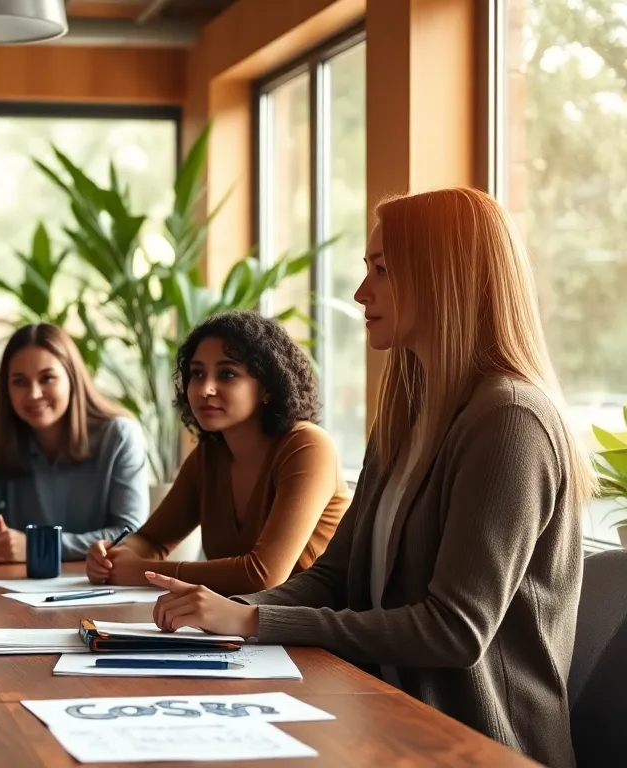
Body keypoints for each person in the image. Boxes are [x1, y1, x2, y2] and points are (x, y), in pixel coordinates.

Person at [142, 188, 592, 768]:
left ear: (441, 277)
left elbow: (454, 631)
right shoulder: (407, 414)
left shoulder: (510, 421)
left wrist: (252, 619)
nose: (361, 292)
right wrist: (226, 622)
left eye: (382, 269)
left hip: (476, 746)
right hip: (379, 717)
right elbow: (335, 577)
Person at [86, 311, 350, 595]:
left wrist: (143, 572)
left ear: (267, 388)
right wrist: (113, 556)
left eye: (227, 374)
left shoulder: (308, 447)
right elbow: (152, 540)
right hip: (237, 627)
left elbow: (263, 576)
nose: (204, 389)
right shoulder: (209, 455)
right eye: (197, 374)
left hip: (310, 630)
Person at [0, 323, 150, 562]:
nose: (33, 393)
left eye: (47, 378)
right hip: (21, 589)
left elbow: (130, 534)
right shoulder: (5, 441)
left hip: (99, 586)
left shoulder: (119, 436)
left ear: (72, 379)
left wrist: (39, 547)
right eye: (19, 381)